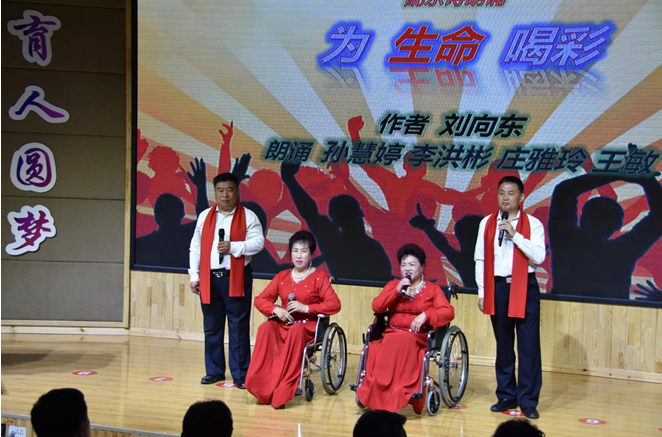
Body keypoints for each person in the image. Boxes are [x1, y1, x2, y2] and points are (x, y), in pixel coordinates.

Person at [474, 176, 546, 419]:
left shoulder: (533, 224)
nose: (505, 198)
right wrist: (482, 292)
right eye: (501, 193)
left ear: (521, 197)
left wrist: (515, 235)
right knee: (503, 345)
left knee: (528, 346)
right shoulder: (487, 223)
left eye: (511, 193)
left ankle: (528, 400)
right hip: (497, 287)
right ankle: (506, 395)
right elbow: (480, 259)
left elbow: (539, 257)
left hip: (525, 287)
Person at [245, 230, 341, 408]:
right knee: (265, 328)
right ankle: (262, 385)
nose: (298, 255)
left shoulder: (319, 277)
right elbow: (260, 300)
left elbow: (334, 304)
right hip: (284, 324)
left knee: (296, 330)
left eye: (303, 251)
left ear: (311, 255)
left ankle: (283, 388)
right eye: (295, 251)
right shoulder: (282, 276)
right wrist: (276, 310)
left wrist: (306, 308)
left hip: (306, 329)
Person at [355, 244, 455, 414]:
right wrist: (396, 290)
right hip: (392, 333)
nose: (407, 268)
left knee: (401, 341)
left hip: (417, 336)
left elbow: (448, 312)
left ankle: (399, 392)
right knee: (376, 347)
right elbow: (377, 306)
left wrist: (426, 314)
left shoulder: (433, 290)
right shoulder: (394, 285)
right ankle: (378, 391)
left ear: (422, 267)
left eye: (412, 264)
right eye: (403, 265)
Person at [189, 172, 265, 388]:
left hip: (236, 277)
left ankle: (240, 374)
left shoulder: (248, 216)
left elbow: (259, 243)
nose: (225, 195)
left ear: (237, 191)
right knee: (212, 327)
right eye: (220, 190)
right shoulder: (205, 216)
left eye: (229, 190)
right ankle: (214, 371)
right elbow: (195, 247)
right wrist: (194, 275)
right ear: (215, 192)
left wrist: (234, 246)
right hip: (209, 278)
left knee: (238, 327)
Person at [549, 171, 662, 300]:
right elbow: (658, 217)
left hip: (570, 309)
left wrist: (619, 173)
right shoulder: (623, 253)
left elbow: (565, 191)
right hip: (580, 310)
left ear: (583, 218)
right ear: (617, 225)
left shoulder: (565, 240)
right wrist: (646, 181)